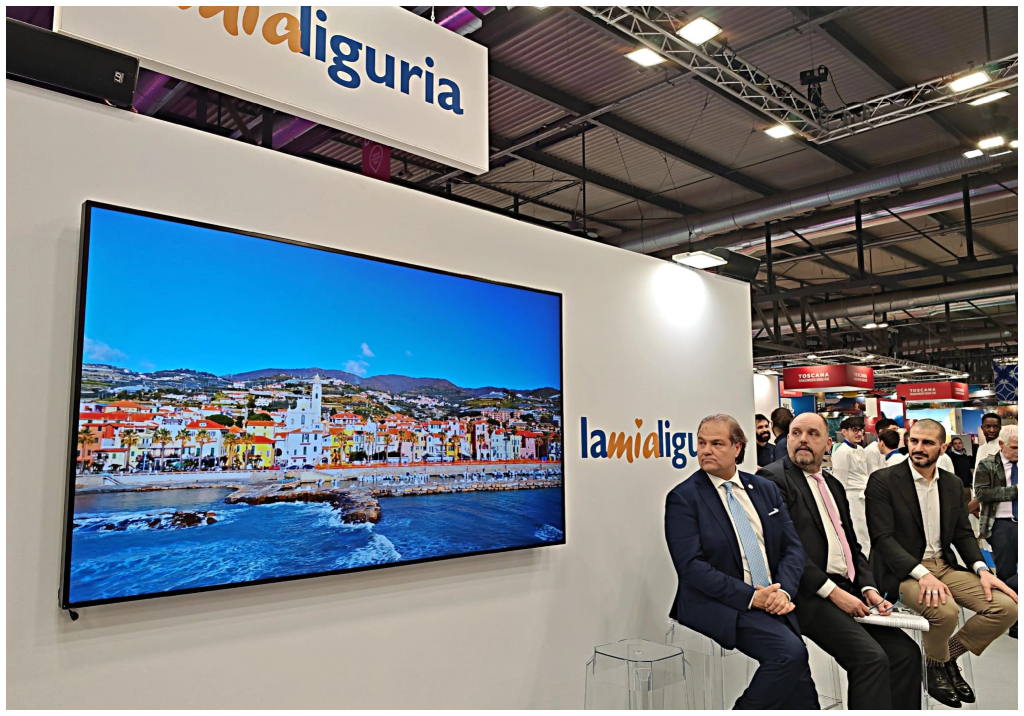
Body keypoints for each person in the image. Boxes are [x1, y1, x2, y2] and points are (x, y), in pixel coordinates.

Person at [758, 413, 921, 709]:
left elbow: (852, 546)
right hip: (808, 594)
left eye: (812, 434)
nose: (803, 440)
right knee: (871, 659)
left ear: (828, 444)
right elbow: (784, 549)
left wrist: (868, 588)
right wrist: (834, 593)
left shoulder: (832, 484)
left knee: (906, 654)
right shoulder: (773, 479)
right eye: (796, 433)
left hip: (848, 588)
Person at [665, 414, 817, 709]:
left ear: (737, 448)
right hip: (721, 602)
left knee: (800, 683)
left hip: (772, 598)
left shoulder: (764, 488)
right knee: (790, 655)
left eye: (716, 443)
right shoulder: (684, 497)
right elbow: (691, 567)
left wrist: (782, 593)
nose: (706, 450)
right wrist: (752, 597)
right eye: (701, 443)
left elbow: (793, 548)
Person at [866, 419, 1018, 708]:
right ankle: (937, 667)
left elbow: (962, 533)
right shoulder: (883, 480)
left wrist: (982, 569)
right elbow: (882, 538)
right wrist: (922, 574)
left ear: (943, 447)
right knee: (945, 612)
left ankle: (940, 659)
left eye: (928, 443)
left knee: (1008, 607)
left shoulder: (951, 484)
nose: (918, 448)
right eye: (914, 441)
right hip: (902, 571)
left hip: (944, 566)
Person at [974, 425, 1018, 639]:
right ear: (1001, 444)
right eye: (1015, 448)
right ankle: (1013, 621)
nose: (1019, 452)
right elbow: (982, 494)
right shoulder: (988, 464)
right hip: (1001, 525)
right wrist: (1013, 491)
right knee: (1006, 573)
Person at [831, 416, 872, 556]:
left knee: (867, 530)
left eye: (861, 430)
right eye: (855, 430)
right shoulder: (841, 452)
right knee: (860, 533)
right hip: (852, 497)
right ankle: (864, 561)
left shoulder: (861, 449)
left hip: (864, 494)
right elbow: (839, 481)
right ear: (844, 432)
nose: (859, 433)